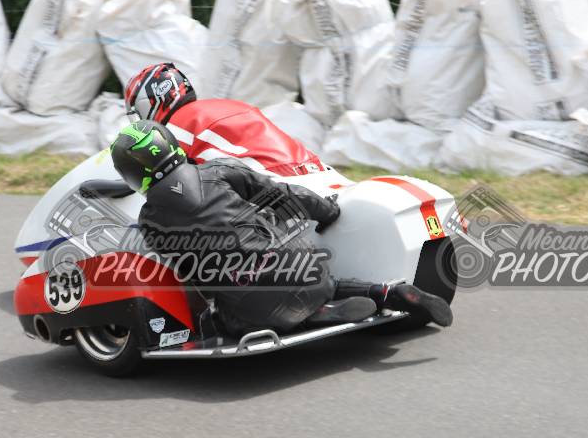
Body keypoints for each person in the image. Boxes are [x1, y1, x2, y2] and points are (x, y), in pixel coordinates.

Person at [110, 120, 453, 337]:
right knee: (325, 283)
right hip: (302, 263)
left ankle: (316, 317)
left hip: (254, 300)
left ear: (131, 174)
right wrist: (328, 212)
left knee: (223, 322)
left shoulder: (150, 219)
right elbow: (284, 194)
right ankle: (387, 293)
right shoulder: (220, 171)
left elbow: (187, 276)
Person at [122, 62, 325, 176]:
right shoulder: (228, 104)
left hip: (273, 182)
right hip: (314, 168)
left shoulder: (176, 127)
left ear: (149, 102)